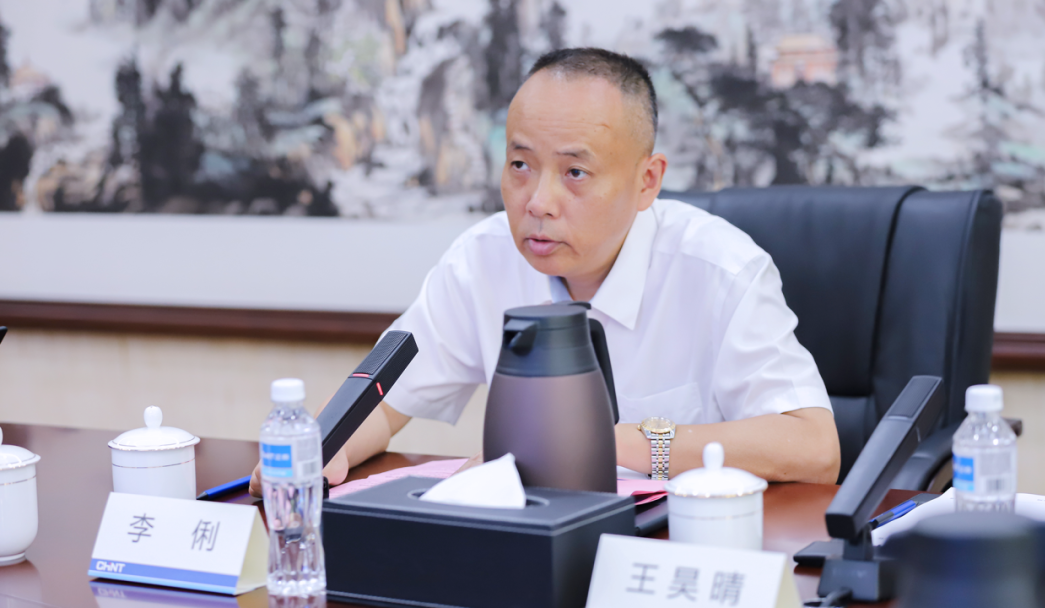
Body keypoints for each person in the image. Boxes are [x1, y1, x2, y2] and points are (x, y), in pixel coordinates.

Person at [250, 48, 840, 496]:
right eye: (520, 165)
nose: (537, 201)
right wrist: (314, 450)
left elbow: (815, 447)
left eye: (575, 173)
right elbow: (382, 404)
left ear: (647, 181)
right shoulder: (482, 260)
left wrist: (616, 445)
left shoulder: (720, 270)